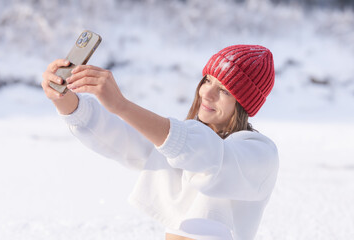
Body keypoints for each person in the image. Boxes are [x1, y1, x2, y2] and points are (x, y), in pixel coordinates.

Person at [42, 44, 279, 240]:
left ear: (244, 104)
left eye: (225, 91)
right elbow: (123, 137)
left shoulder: (258, 154)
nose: (206, 93)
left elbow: (210, 156)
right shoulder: (184, 140)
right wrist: (64, 100)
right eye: (207, 80)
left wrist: (122, 105)